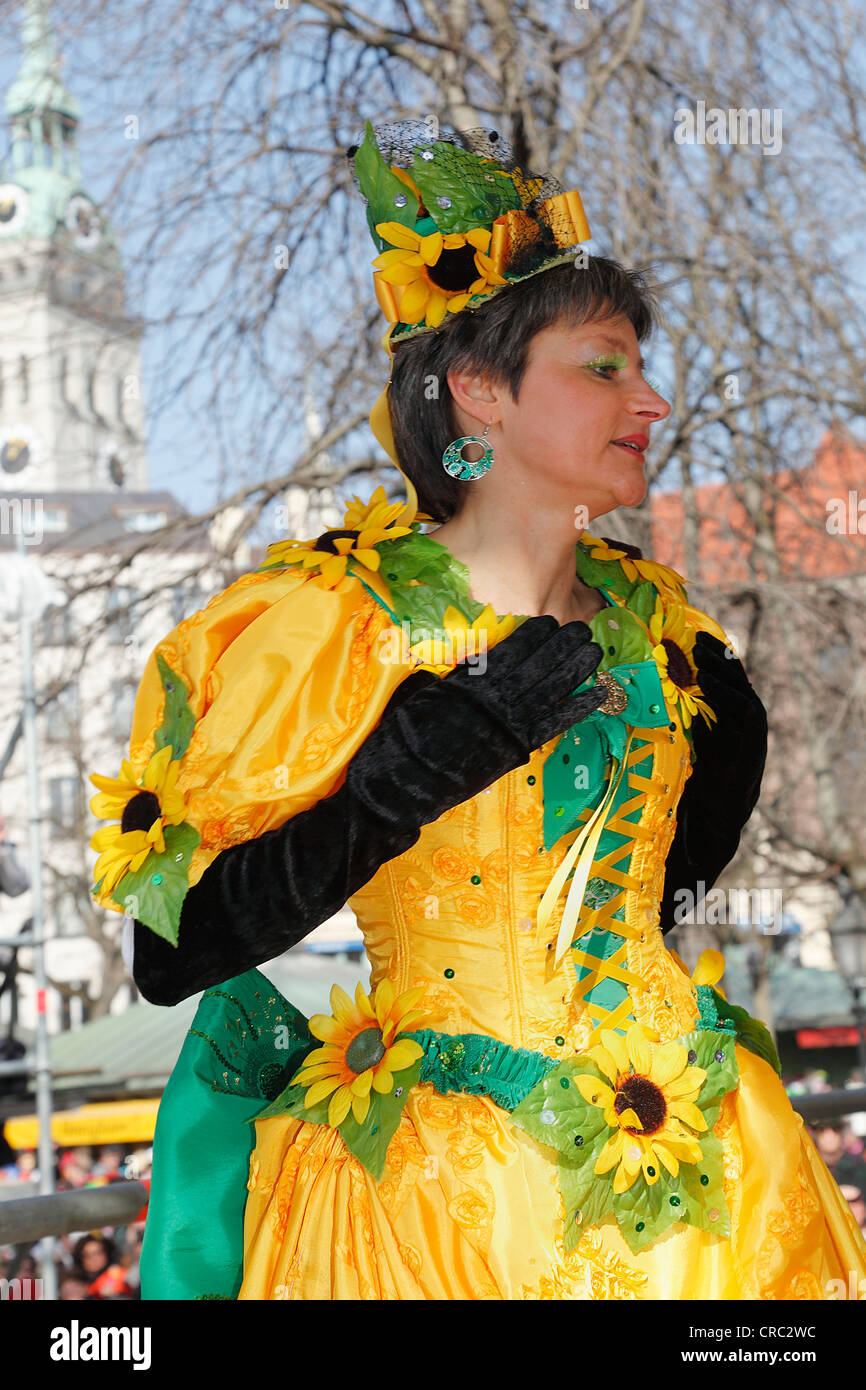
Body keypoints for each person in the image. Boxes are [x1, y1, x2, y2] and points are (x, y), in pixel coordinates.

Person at [89, 119, 866, 1300]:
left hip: (705, 1190)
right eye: (603, 364)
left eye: (640, 366)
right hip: (431, 1211)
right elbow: (165, 946)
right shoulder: (326, 623)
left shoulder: (668, 634)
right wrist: (396, 782)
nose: (648, 399)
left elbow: (658, 891)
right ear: (479, 393)